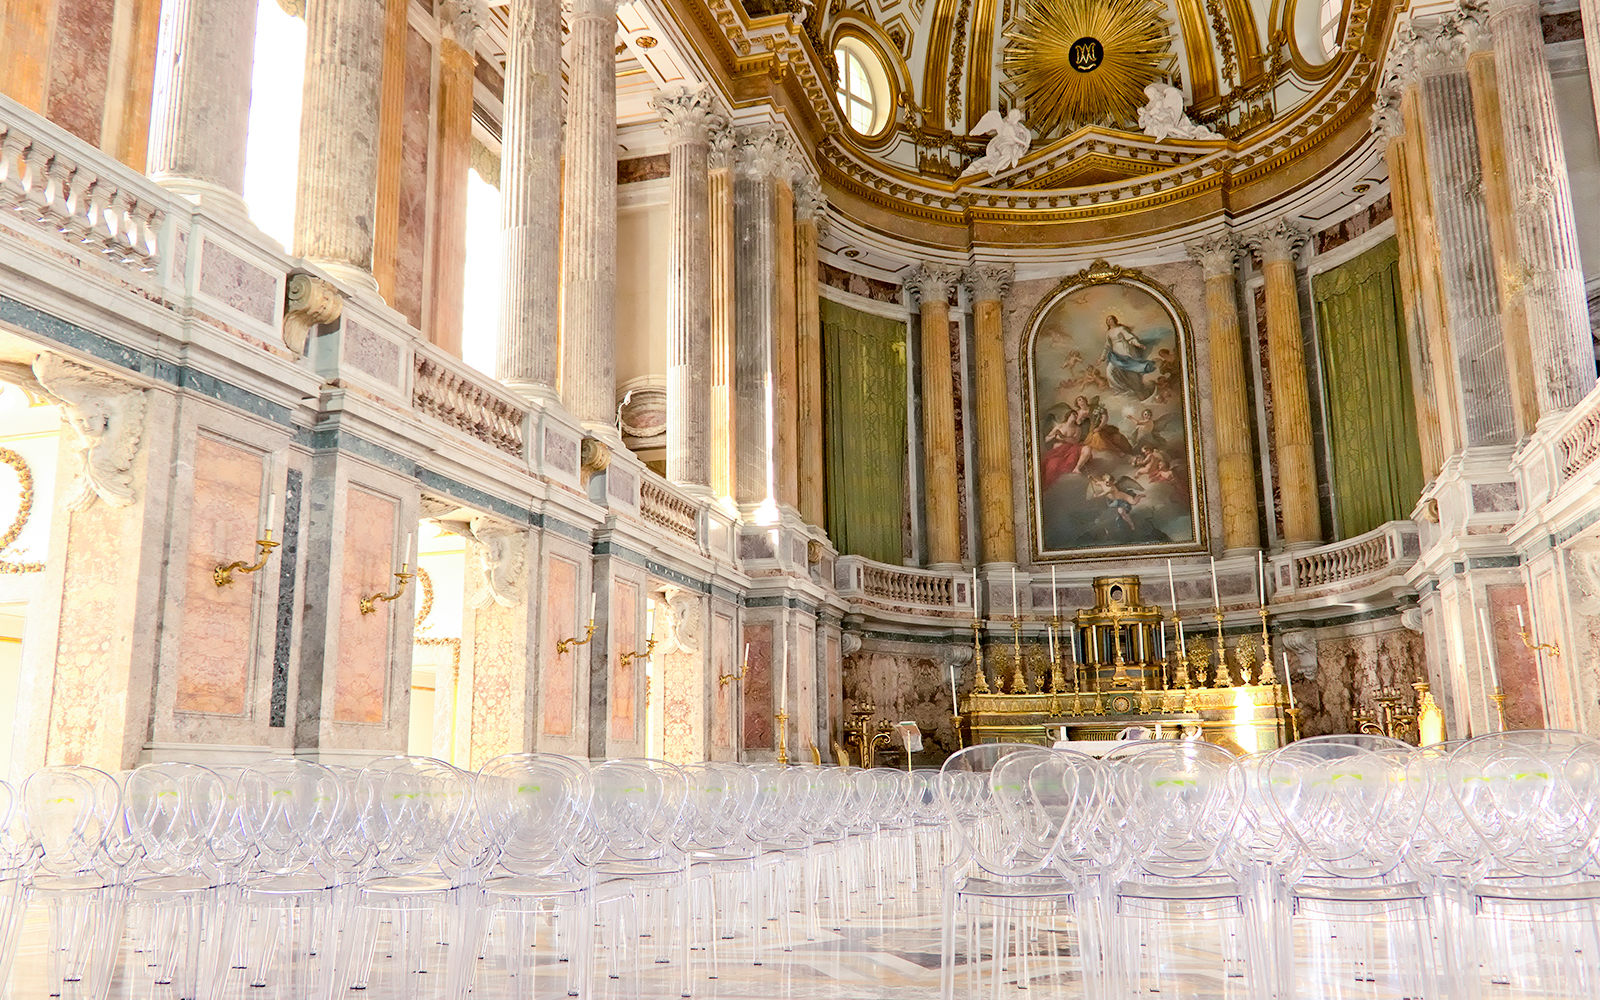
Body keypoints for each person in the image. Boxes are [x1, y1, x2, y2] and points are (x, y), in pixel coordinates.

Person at [1102, 314, 1158, 399]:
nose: (1109, 321)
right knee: (1110, 369)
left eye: (1110, 319)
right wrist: (1101, 358)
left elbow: (1131, 338)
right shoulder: (1109, 333)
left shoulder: (1121, 329)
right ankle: (1120, 389)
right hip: (1115, 355)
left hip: (1124, 351)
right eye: (1107, 320)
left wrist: (1138, 344)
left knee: (1130, 372)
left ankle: (1139, 391)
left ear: (1114, 320)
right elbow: (1107, 347)